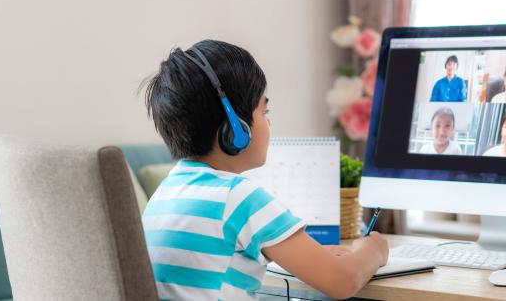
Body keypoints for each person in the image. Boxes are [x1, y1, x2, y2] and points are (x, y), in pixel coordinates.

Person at [142, 40, 388, 300]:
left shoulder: (163, 194)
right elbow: (343, 281)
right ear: (236, 130)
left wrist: (315, 255)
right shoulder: (239, 197)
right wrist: (373, 250)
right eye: (263, 111)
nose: (268, 122)